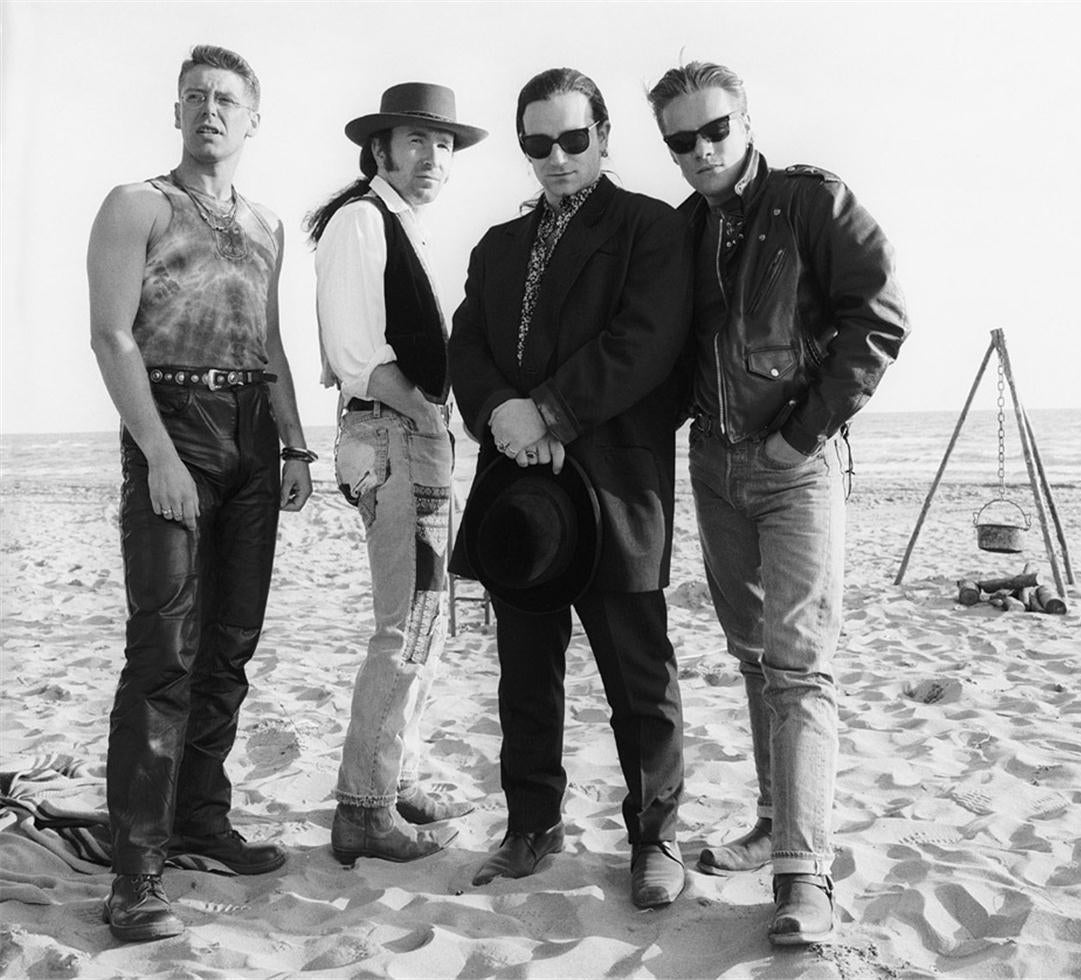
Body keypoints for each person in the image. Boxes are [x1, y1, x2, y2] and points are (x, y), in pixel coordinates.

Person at [646, 61, 909, 944]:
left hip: (796, 467)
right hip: (714, 466)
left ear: (747, 120)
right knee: (753, 656)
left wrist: (804, 432)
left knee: (801, 666)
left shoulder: (811, 204)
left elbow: (878, 317)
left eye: (715, 129)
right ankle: (772, 823)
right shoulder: (681, 231)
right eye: (680, 140)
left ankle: (805, 874)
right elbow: (667, 354)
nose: (701, 150)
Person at [449, 67, 692, 909]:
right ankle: (531, 827)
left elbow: (648, 342)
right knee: (524, 672)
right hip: (518, 493)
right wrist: (502, 414)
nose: (556, 158)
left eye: (573, 140)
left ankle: (655, 839)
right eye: (538, 144)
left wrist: (549, 412)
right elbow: (466, 345)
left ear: (604, 136)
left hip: (616, 484)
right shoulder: (496, 246)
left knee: (640, 679)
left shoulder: (649, 230)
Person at [88, 44, 314, 942]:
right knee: (164, 652)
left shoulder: (266, 223)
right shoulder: (135, 203)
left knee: (230, 643)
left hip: (254, 431)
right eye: (194, 97)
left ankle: (200, 820)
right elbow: (111, 337)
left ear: (252, 118)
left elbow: (271, 342)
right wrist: (159, 456)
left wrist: (296, 445)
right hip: (172, 424)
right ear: (176, 112)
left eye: (225, 99)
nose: (208, 110)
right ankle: (135, 874)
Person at [305, 83, 487, 864]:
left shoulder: (398, 225)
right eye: (416, 141)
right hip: (392, 437)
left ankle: (397, 779)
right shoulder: (359, 220)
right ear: (380, 149)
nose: (432, 158)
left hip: (406, 437)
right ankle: (363, 808)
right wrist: (424, 417)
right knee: (406, 626)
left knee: (423, 623)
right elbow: (354, 356)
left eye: (443, 145)